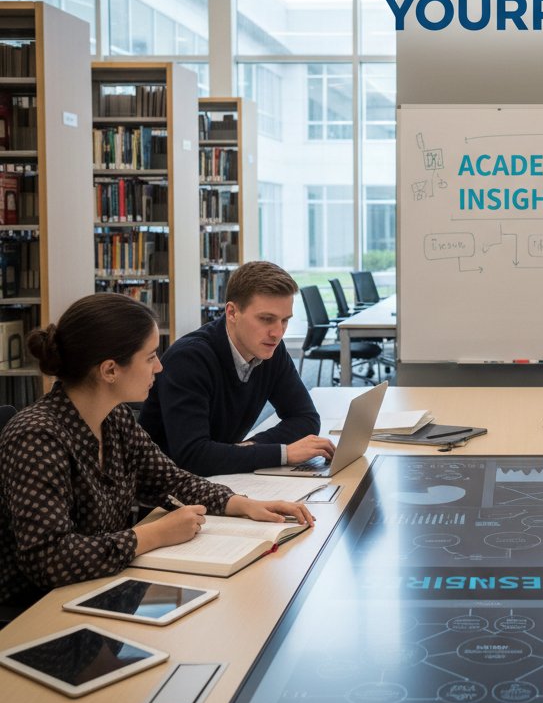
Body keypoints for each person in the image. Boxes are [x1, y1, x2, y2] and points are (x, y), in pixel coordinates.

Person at [0, 293, 315, 608]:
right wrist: (152, 535)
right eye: (150, 357)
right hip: (36, 608)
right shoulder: (36, 436)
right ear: (110, 370)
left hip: (102, 587)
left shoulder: (115, 417)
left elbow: (169, 480)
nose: (160, 366)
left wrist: (242, 505)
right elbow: (48, 559)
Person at [140, 260, 335, 477]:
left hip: (223, 478)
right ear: (232, 312)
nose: (278, 333)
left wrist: (248, 448)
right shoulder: (189, 359)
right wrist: (282, 453)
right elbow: (192, 456)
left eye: (284, 321)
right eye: (266, 319)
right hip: (171, 492)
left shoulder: (271, 350)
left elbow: (306, 418)